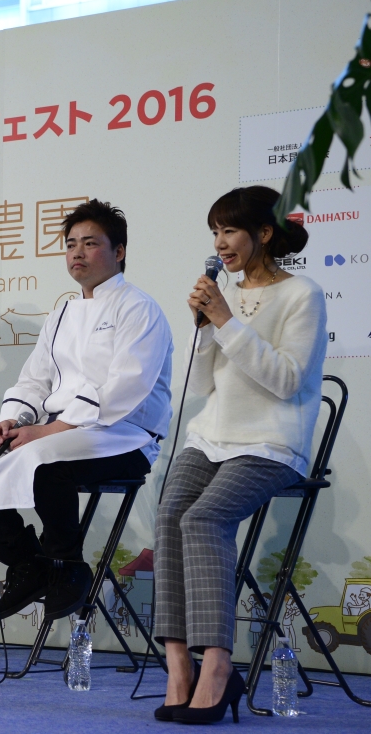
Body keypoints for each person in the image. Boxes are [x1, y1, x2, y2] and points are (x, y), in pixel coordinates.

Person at [0, 199, 172, 626]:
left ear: (119, 251)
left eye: (90, 243)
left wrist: (52, 430)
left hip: (124, 436)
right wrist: (16, 420)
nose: (77, 253)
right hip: (59, 430)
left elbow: (126, 386)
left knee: (43, 461)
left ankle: (66, 566)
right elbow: (35, 379)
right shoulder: (61, 314)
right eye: (71, 244)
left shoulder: (139, 308)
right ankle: (27, 561)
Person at [154, 186, 325, 724]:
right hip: (212, 435)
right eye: (215, 232)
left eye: (230, 231)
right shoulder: (221, 297)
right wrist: (206, 327)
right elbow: (201, 384)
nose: (220, 243)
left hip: (272, 442)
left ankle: (218, 667)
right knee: (170, 516)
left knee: (203, 519)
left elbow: (286, 380)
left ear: (264, 233)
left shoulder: (302, 294)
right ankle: (178, 667)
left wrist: (226, 319)